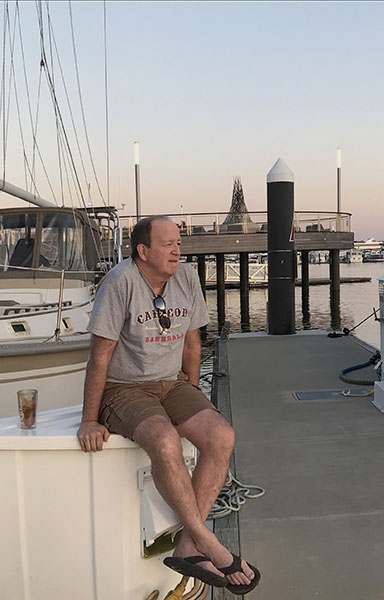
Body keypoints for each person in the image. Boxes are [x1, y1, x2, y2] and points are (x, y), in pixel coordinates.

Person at [76, 216, 259, 593]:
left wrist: (191, 396)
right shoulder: (120, 282)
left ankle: (189, 546)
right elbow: (99, 357)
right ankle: (203, 539)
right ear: (143, 251)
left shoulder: (187, 278)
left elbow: (192, 345)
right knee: (163, 441)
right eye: (167, 244)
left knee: (221, 436)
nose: (177, 250)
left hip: (172, 384)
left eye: (179, 242)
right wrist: (89, 420)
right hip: (123, 388)